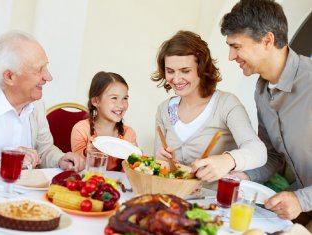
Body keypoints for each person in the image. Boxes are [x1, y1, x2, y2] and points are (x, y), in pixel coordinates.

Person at [220, 0, 312, 229]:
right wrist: (242, 176)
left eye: (237, 46)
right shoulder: (262, 92)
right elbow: (271, 156)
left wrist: (302, 199)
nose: (231, 56)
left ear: (267, 40)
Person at [151, 30, 267, 186]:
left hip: (214, 204)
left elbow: (258, 151)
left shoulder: (226, 104)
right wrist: (161, 160)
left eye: (185, 71)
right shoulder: (164, 109)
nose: (176, 79)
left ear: (201, 68)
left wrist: (228, 160)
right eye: (170, 71)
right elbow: (157, 166)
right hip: (173, 198)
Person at [0, 31, 85, 172]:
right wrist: (8, 162)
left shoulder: (36, 105)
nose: (48, 77)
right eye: (39, 70)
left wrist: (60, 159)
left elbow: (44, 150)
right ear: (9, 76)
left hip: (25, 193)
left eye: (46, 67)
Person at [71, 71, 137, 171]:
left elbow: (127, 173)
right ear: (96, 101)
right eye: (114, 98)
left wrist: (136, 161)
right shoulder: (81, 129)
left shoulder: (129, 133)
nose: (121, 105)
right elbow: (78, 166)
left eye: (125, 98)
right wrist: (86, 152)